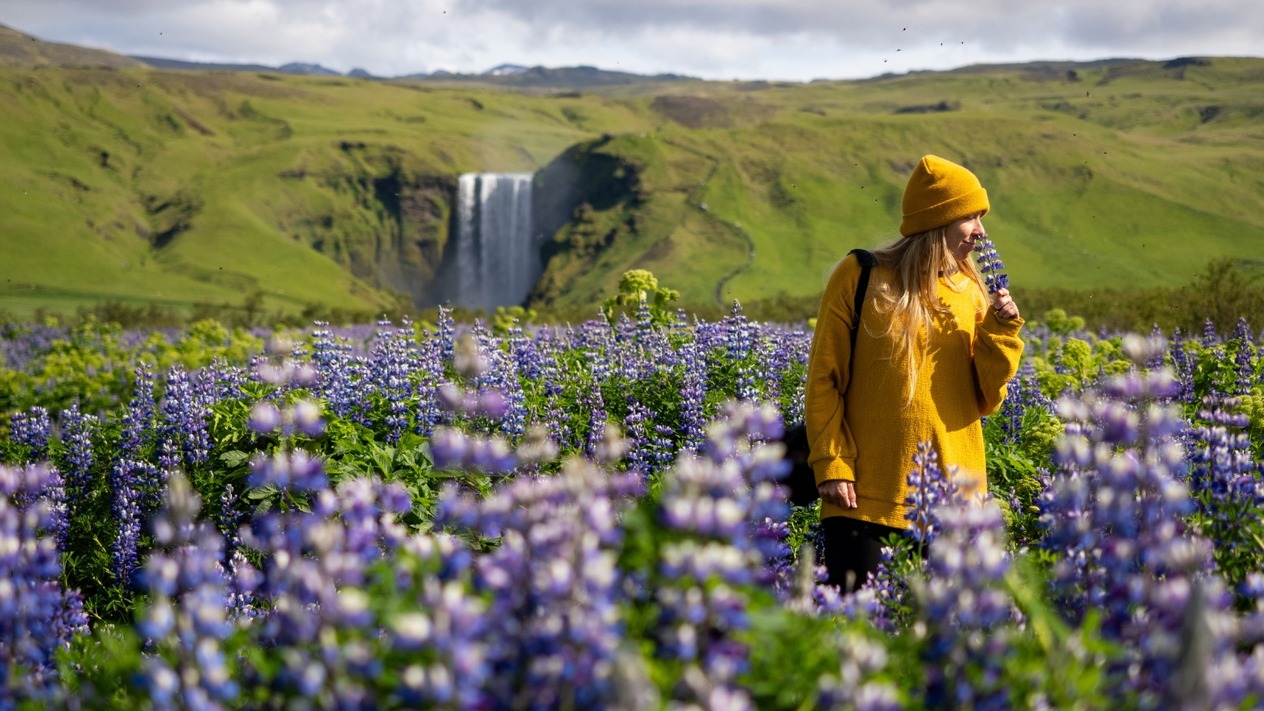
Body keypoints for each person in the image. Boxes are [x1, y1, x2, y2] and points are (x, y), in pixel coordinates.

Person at [803, 154, 1025, 592]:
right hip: (863, 497)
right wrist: (831, 463)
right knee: (861, 639)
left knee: (943, 649)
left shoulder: (973, 292)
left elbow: (988, 398)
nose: (981, 230)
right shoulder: (861, 274)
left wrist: (1002, 330)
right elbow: (824, 379)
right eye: (970, 217)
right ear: (937, 220)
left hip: (955, 502)